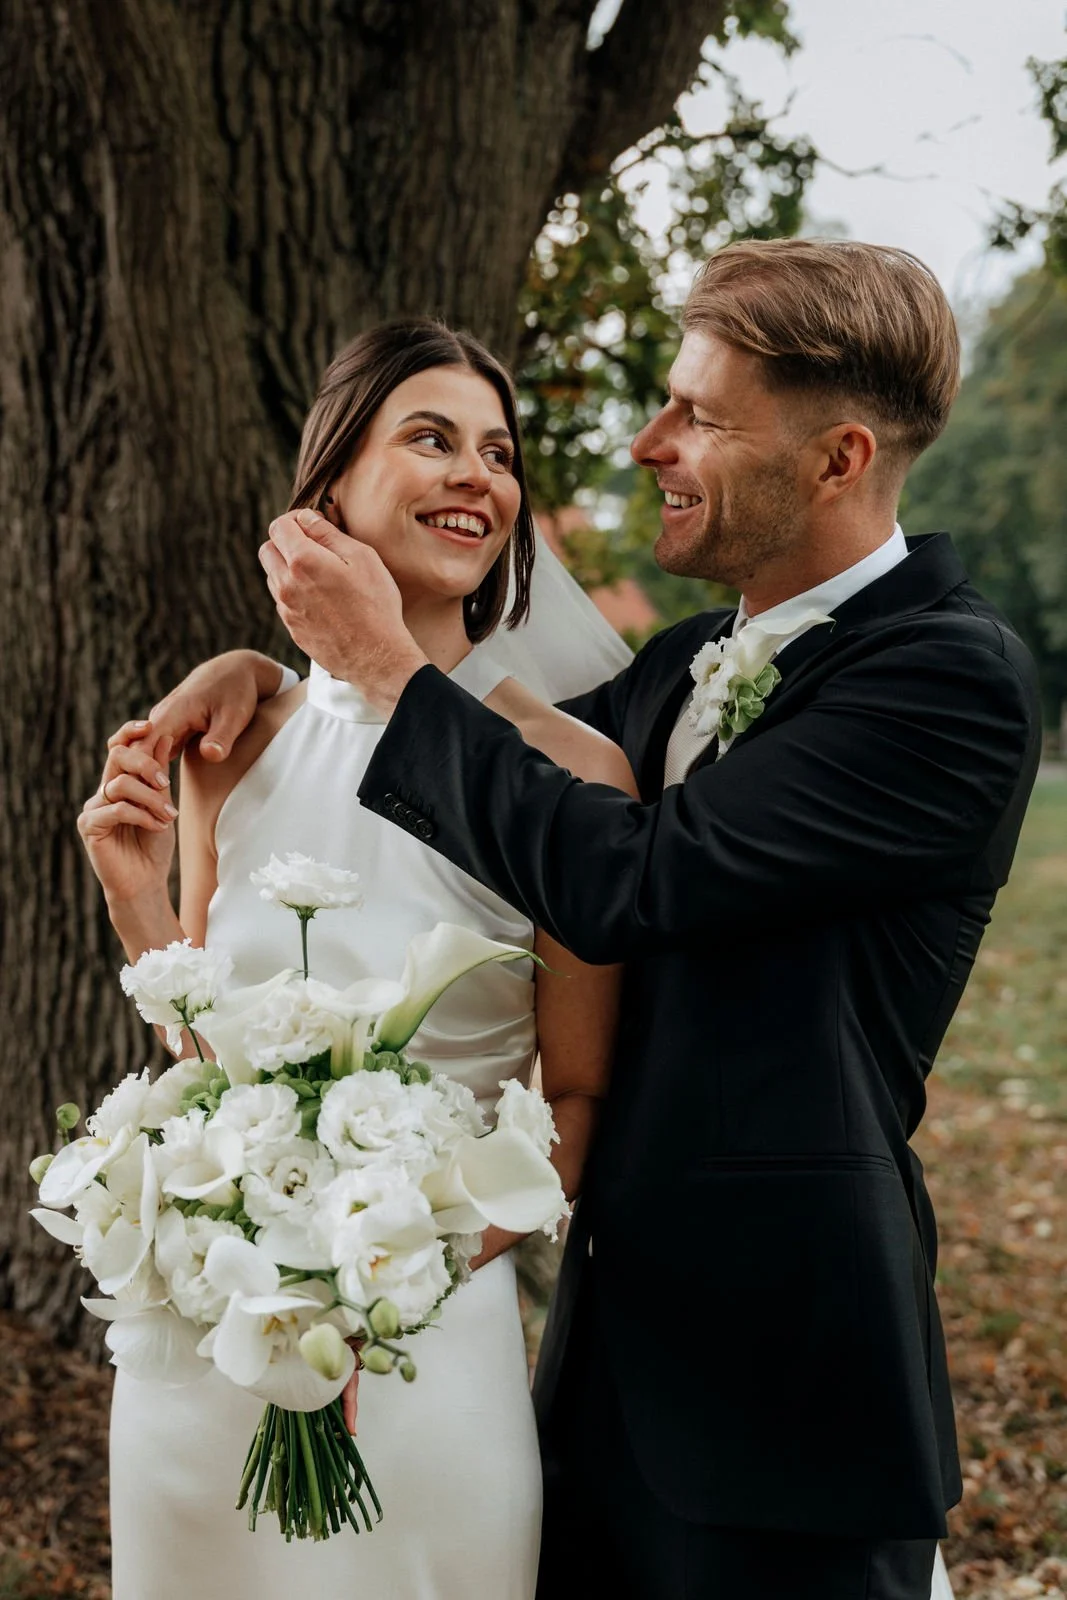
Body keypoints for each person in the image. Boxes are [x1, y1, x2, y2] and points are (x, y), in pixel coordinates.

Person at [134, 240, 1040, 1600]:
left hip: (782, 1371)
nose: (644, 441)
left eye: (696, 415)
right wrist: (268, 678)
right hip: (604, 1363)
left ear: (837, 458)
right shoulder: (682, 662)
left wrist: (377, 659)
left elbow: (625, 873)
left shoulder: (944, 679)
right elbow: (482, 770)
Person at [79, 319, 638, 1600]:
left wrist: (388, 1274)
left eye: (498, 453)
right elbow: (209, 1061)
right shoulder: (237, 739)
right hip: (208, 1342)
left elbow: (575, 1098)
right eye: (429, 437)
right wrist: (138, 910)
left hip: (420, 1344)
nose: (476, 476)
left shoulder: (565, 771)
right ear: (330, 483)